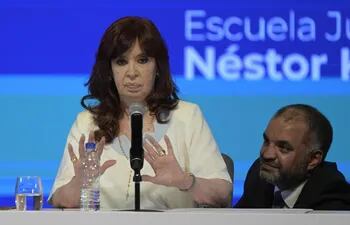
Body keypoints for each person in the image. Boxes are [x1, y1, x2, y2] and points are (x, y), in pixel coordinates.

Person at [49, 16, 232, 210]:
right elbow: (62, 200)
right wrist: (80, 183)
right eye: (121, 62)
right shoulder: (87, 122)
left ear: (157, 67)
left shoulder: (187, 117)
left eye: (142, 60)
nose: (132, 72)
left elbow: (222, 194)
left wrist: (185, 181)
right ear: (109, 71)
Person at [235, 104, 350, 210]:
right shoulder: (258, 176)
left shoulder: (332, 197)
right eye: (266, 141)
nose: (266, 155)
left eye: (284, 148)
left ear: (313, 159)